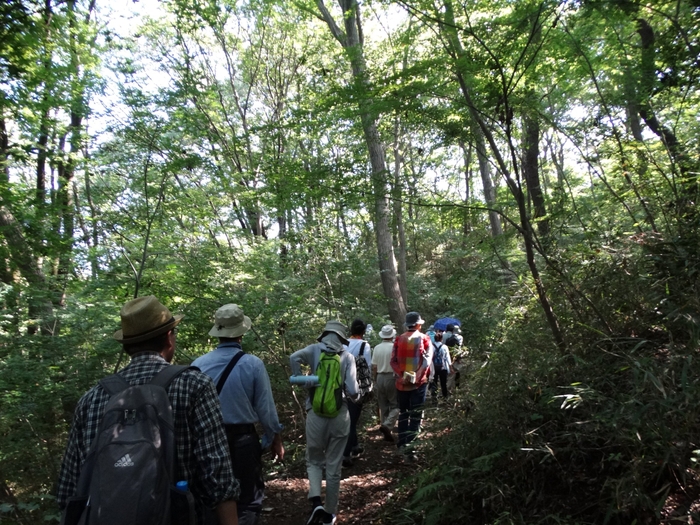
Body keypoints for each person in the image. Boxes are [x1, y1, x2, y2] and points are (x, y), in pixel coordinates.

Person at [56, 295, 240, 525]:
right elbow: (217, 474)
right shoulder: (195, 386)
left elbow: (69, 489)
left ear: (126, 346)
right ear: (168, 338)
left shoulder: (92, 398)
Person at [192, 304, 284, 525]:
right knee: (248, 499)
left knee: (211, 497)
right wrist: (275, 438)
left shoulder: (198, 365)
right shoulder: (252, 364)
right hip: (243, 440)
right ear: (241, 333)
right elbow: (266, 409)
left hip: (207, 442)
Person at [289, 320, 359, 525]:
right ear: (341, 338)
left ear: (325, 335)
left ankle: (316, 503)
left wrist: (301, 379)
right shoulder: (347, 356)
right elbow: (353, 390)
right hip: (340, 414)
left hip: (315, 413)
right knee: (334, 465)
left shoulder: (313, 350)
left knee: (313, 459)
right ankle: (330, 514)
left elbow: (294, 357)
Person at [390, 311, 433, 455]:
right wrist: (418, 376)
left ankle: (401, 443)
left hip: (401, 385)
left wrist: (402, 376)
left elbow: (393, 361)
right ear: (418, 325)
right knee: (415, 415)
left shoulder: (398, 339)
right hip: (418, 385)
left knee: (404, 413)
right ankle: (411, 446)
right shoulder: (425, 339)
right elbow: (427, 362)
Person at [342, 319, 372, 467]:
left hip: (340, 386)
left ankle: (354, 446)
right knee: (352, 420)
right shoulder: (364, 345)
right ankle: (346, 455)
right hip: (357, 387)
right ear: (363, 331)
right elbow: (367, 367)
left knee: (348, 418)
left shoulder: (342, 343)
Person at [372, 324, 399, 442]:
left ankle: (385, 430)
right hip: (391, 377)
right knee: (396, 405)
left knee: (383, 406)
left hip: (380, 377)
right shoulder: (394, 347)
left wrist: (375, 378)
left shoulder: (377, 347)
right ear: (392, 335)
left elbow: (374, 366)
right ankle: (387, 426)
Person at [431, 332, 452, 399]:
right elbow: (448, 358)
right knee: (443, 383)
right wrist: (451, 367)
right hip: (443, 368)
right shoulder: (444, 347)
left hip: (434, 368)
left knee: (434, 383)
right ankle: (445, 397)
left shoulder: (431, 346)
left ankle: (434, 397)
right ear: (441, 339)